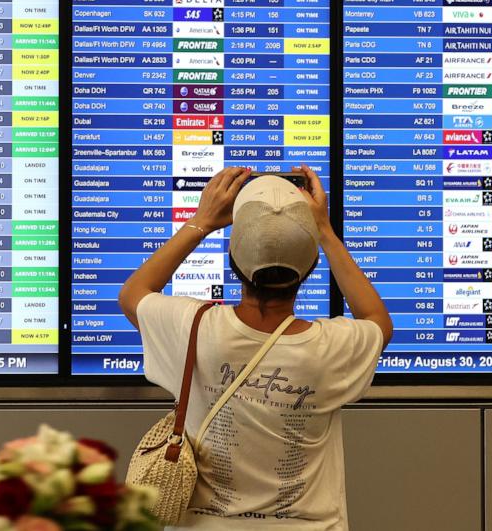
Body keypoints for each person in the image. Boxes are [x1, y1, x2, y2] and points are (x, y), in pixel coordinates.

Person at [119, 165, 392, 530]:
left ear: (233, 261)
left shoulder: (195, 328)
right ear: (311, 265)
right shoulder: (331, 347)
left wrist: (202, 221)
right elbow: (377, 319)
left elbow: (133, 294)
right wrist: (324, 230)